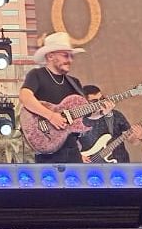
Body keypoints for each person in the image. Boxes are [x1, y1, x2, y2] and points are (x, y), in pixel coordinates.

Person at [18, 31, 90, 163]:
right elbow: (25, 97)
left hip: (72, 149)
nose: (70, 60)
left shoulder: (74, 83)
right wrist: (51, 116)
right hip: (47, 148)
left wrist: (100, 111)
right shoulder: (37, 75)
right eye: (65, 55)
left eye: (71, 56)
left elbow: (85, 114)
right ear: (50, 56)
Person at [76, 85, 142, 164]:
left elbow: (132, 141)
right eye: (95, 101)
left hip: (120, 163)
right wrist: (78, 156)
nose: (100, 104)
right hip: (93, 167)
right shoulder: (78, 122)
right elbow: (67, 147)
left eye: (102, 99)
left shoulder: (115, 115)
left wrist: (140, 137)